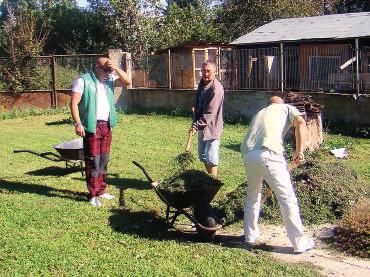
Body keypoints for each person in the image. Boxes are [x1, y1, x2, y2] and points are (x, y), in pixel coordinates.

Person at [240, 96, 315, 253]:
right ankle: (300, 243)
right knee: (287, 198)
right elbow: (301, 124)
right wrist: (299, 151)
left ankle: (249, 235)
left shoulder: (260, 112)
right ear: (281, 103)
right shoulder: (286, 107)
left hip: (248, 154)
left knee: (253, 195)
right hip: (269, 153)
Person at [71, 56, 131, 207]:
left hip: (107, 125)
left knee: (104, 159)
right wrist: (78, 124)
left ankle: (102, 190)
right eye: (106, 70)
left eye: (110, 70)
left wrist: (116, 67)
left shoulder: (109, 80)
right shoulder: (83, 81)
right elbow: (73, 103)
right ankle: (93, 194)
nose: (109, 73)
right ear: (97, 67)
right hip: (91, 126)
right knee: (93, 161)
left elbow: (127, 81)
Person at [189, 60, 224, 177]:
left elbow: (210, 113)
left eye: (208, 71)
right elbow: (198, 100)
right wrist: (195, 107)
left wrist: (195, 125)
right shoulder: (202, 84)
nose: (205, 73)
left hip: (212, 127)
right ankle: (210, 178)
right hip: (201, 125)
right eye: (203, 71)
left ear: (215, 71)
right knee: (203, 156)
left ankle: (213, 182)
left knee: (211, 157)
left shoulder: (216, 89)